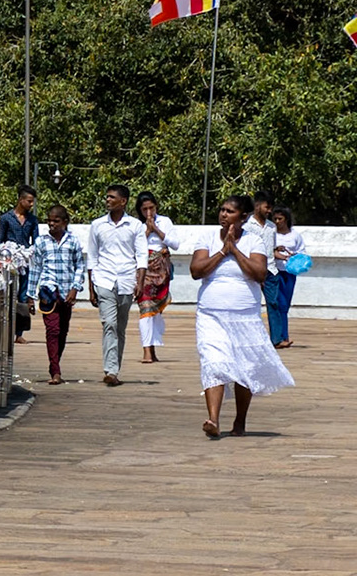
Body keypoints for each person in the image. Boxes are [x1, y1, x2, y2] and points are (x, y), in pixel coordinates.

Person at [190, 195, 293, 438]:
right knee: (213, 361)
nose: (224, 215)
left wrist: (234, 250)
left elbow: (259, 273)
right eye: (222, 210)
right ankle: (213, 419)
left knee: (244, 367)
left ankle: (240, 421)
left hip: (244, 316)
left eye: (230, 211)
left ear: (243, 217)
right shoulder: (206, 238)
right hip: (210, 314)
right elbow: (196, 270)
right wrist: (222, 251)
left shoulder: (254, 241)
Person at [84, 183, 147, 386]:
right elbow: (92, 256)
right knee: (109, 324)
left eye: (112, 197)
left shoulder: (136, 226)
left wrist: (140, 281)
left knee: (120, 327)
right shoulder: (98, 225)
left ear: (123, 201)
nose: (108, 200)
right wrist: (91, 286)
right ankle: (110, 370)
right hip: (103, 279)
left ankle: (115, 370)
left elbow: (141, 255)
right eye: (107, 197)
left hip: (127, 280)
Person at [29, 205, 86, 386]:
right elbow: (35, 268)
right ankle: (55, 370)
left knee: (62, 331)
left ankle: (56, 362)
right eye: (49, 221)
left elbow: (79, 266)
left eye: (56, 221)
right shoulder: (41, 242)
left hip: (67, 292)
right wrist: (30, 295)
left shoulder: (73, 242)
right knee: (52, 330)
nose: (51, 224)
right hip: (48, 290)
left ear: (65, 222)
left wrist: (75, 288)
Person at [133, 193, 179, 366]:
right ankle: (146, 350)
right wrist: (146, 231)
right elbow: (132, 246)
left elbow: (175, 244)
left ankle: (152, 348)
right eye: (144, 209)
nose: (148, 212)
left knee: (155, 311)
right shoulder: (135, 225)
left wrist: (157, 230)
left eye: (151, 208)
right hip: (143, 269)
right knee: (145, 307)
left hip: (160, 270)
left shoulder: (165, 222)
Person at [0, 185, 39, 343]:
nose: (31, 204)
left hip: (25, 263)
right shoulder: (6, 218)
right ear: (21, 200)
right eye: (29, 201)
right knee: (6, 294)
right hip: (9, 263)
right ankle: (4, 329)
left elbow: (36, 241)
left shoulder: (32, 220)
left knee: (23, 296)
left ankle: (19, 333)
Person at [267, 206, 307, 349]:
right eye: (275, 219)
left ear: (287, 219)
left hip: (289, 273)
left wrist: (292, 256)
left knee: (285, 304)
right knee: (279, 303)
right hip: (274, 271)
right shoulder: (271, 234)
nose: (277, 222)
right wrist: (279, 254)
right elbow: (268, 251)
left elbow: (301, 251)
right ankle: (281, 336)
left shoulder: (295, 235)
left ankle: (283, 335)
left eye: (280, 219)